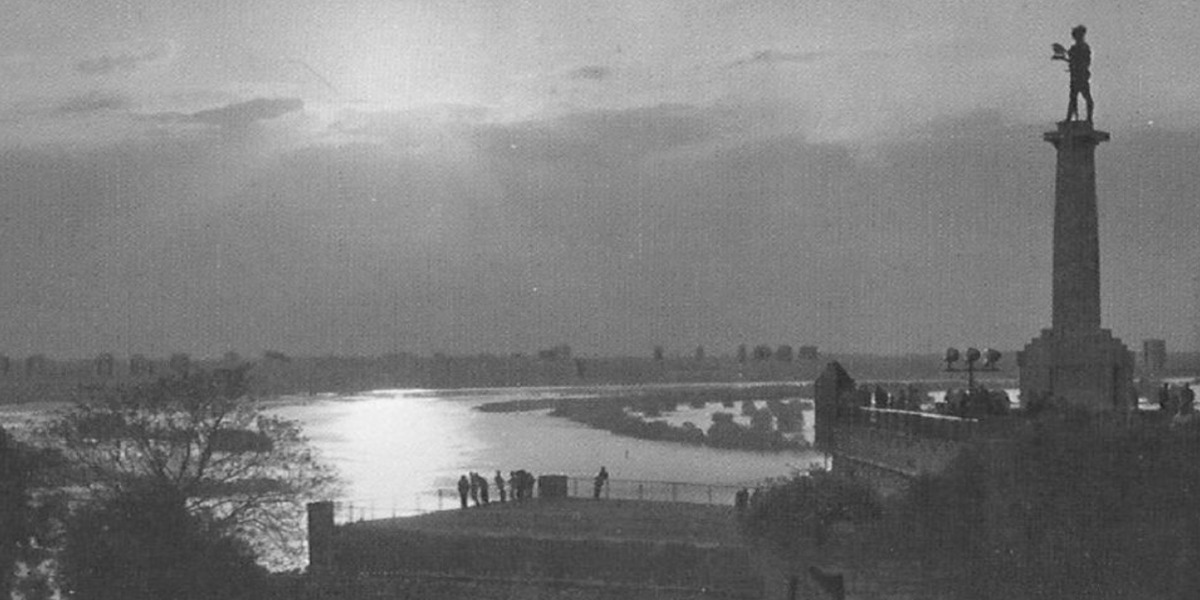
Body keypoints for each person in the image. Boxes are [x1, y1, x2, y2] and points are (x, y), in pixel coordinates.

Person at [1052, 25, 1093, 122]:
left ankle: (1088, 119)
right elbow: (1072, 60)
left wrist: (1063, 58)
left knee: (1085, 99)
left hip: (1081, 77)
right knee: (1073, 99)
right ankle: (1070, 119)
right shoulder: (1075, 48)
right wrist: (1063, 58)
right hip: (1076, 77)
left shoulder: (1084, 48)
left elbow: (1083, 62)